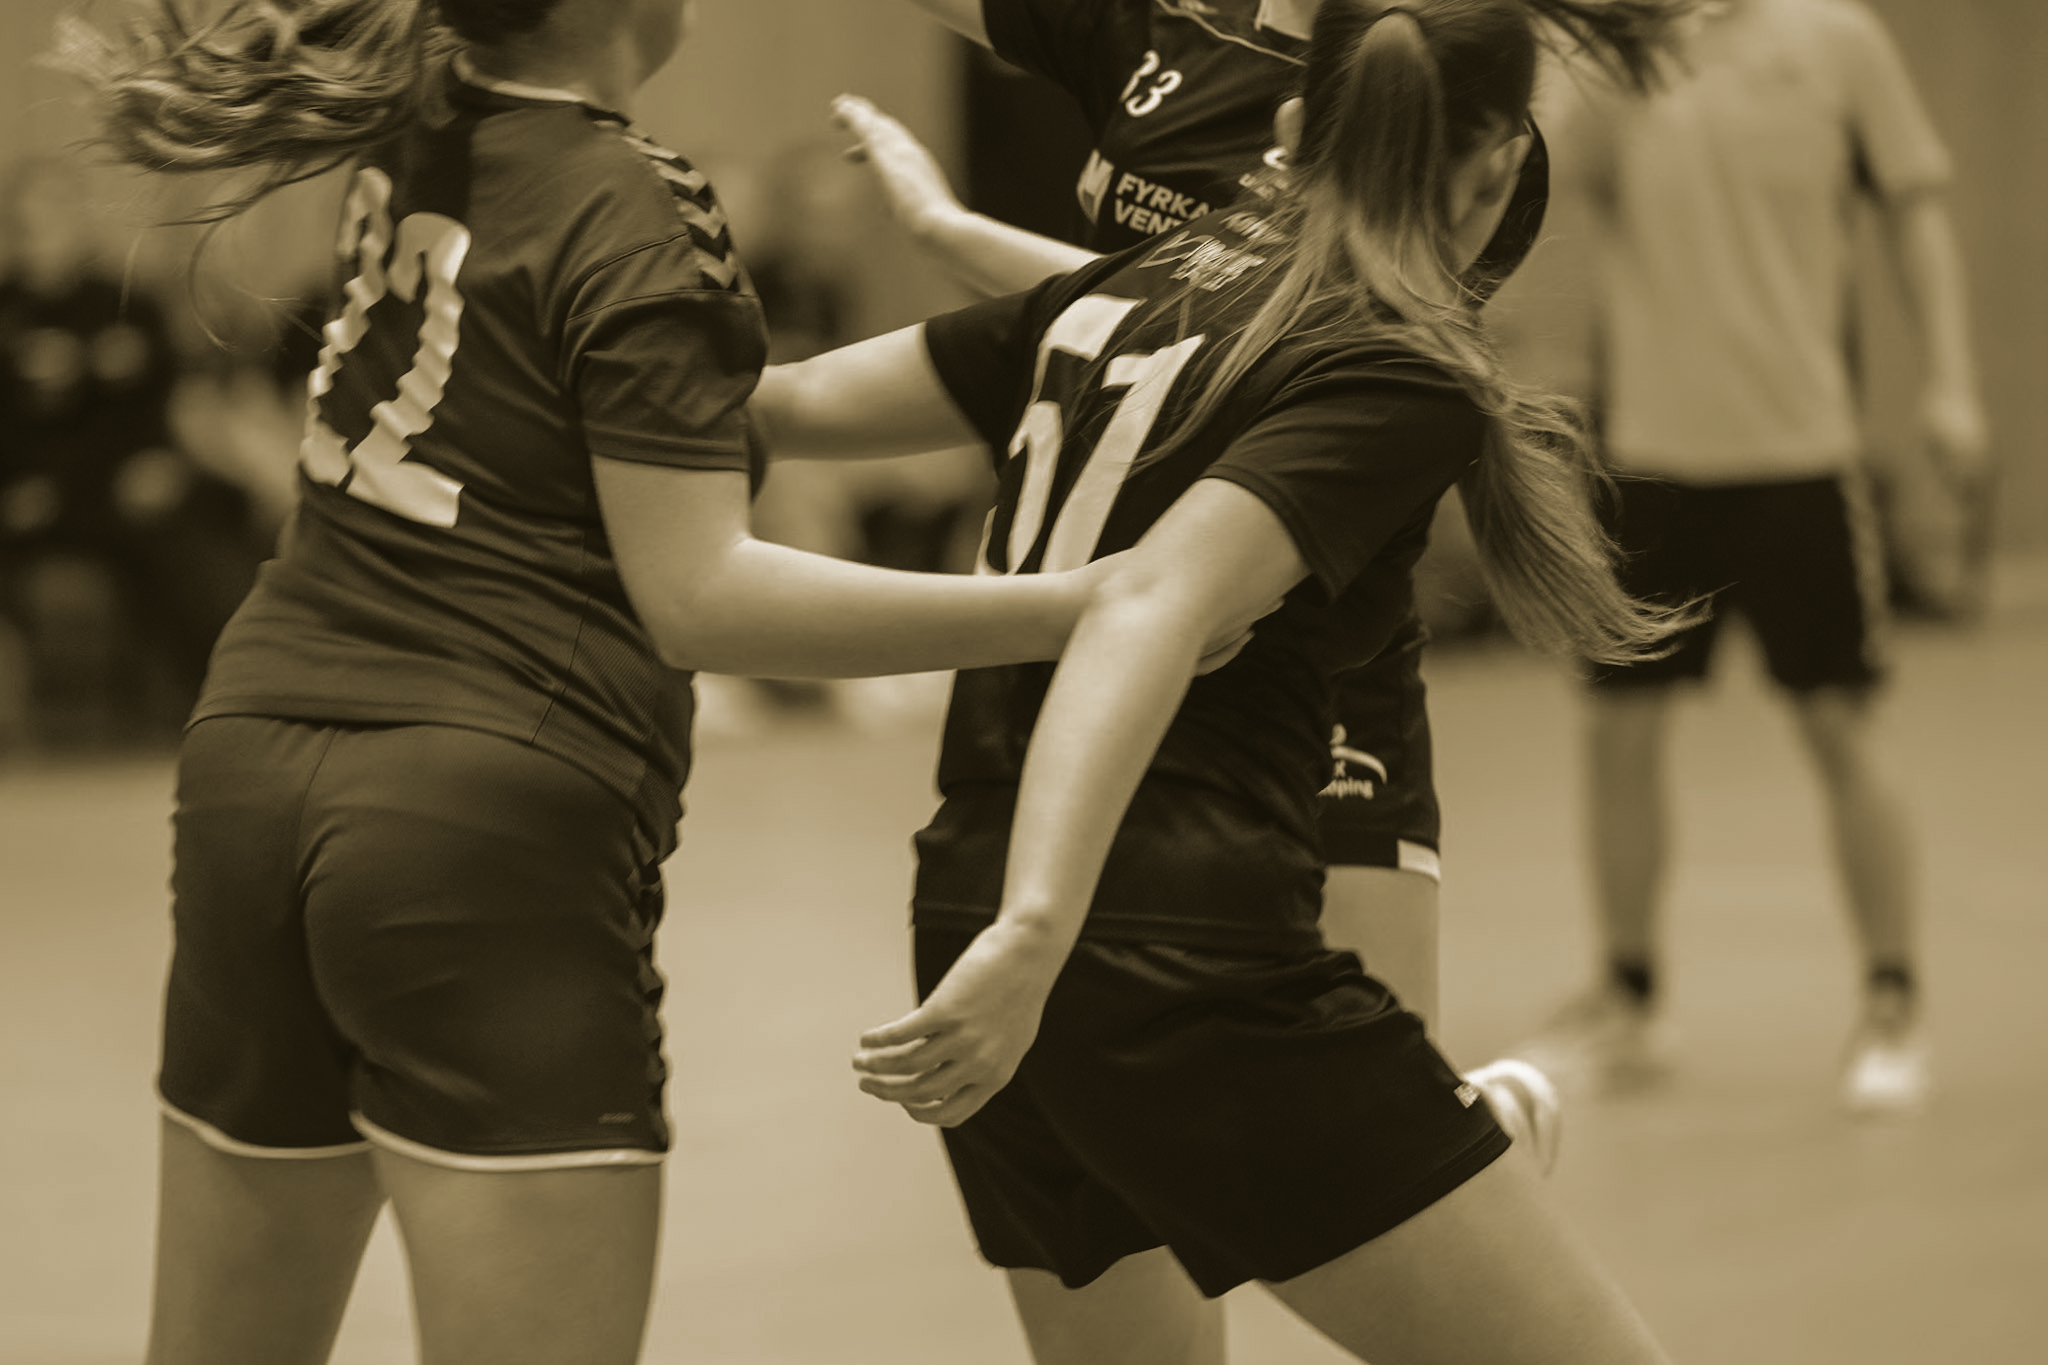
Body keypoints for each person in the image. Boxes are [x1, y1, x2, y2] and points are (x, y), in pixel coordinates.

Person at [60, 3, 1257, 1363]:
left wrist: (1016, 292)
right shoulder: (632, 204)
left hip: (251, 768)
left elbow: (701, 408)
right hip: (479, 813)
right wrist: (1085, 608)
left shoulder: (421, 115)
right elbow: (703, 598)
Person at [756, 2, 1690, 1360]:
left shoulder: (1120, 298)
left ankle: (1431, 1130)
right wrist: (1041, 927)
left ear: (1293, 130)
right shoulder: (1393, 364)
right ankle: (1443, 1127)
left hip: (961, 903)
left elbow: (778, 407)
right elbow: (1150, 600)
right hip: (1166, 948)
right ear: (1496, 175)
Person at [846, 0, 1563, 1112]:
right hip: (1110, 611)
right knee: (1129, 1098)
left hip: (1292, 621)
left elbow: (1198, 320)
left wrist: (956, 237)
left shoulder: (1431, 86)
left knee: (1383, 1100)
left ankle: (1467, 1131)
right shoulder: (1150, 38)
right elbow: (1146, 310)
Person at [1514, 0, 1985, 1114]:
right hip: (1650, 456)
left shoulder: (1835, 40)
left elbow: (1916, 213)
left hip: (1800, 455)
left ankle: (1890, 1001)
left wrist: (1950, 381)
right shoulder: (1614, 47)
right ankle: (1629, 998)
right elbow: (1531, 175)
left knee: (1840, 722)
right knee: (1619, 730)